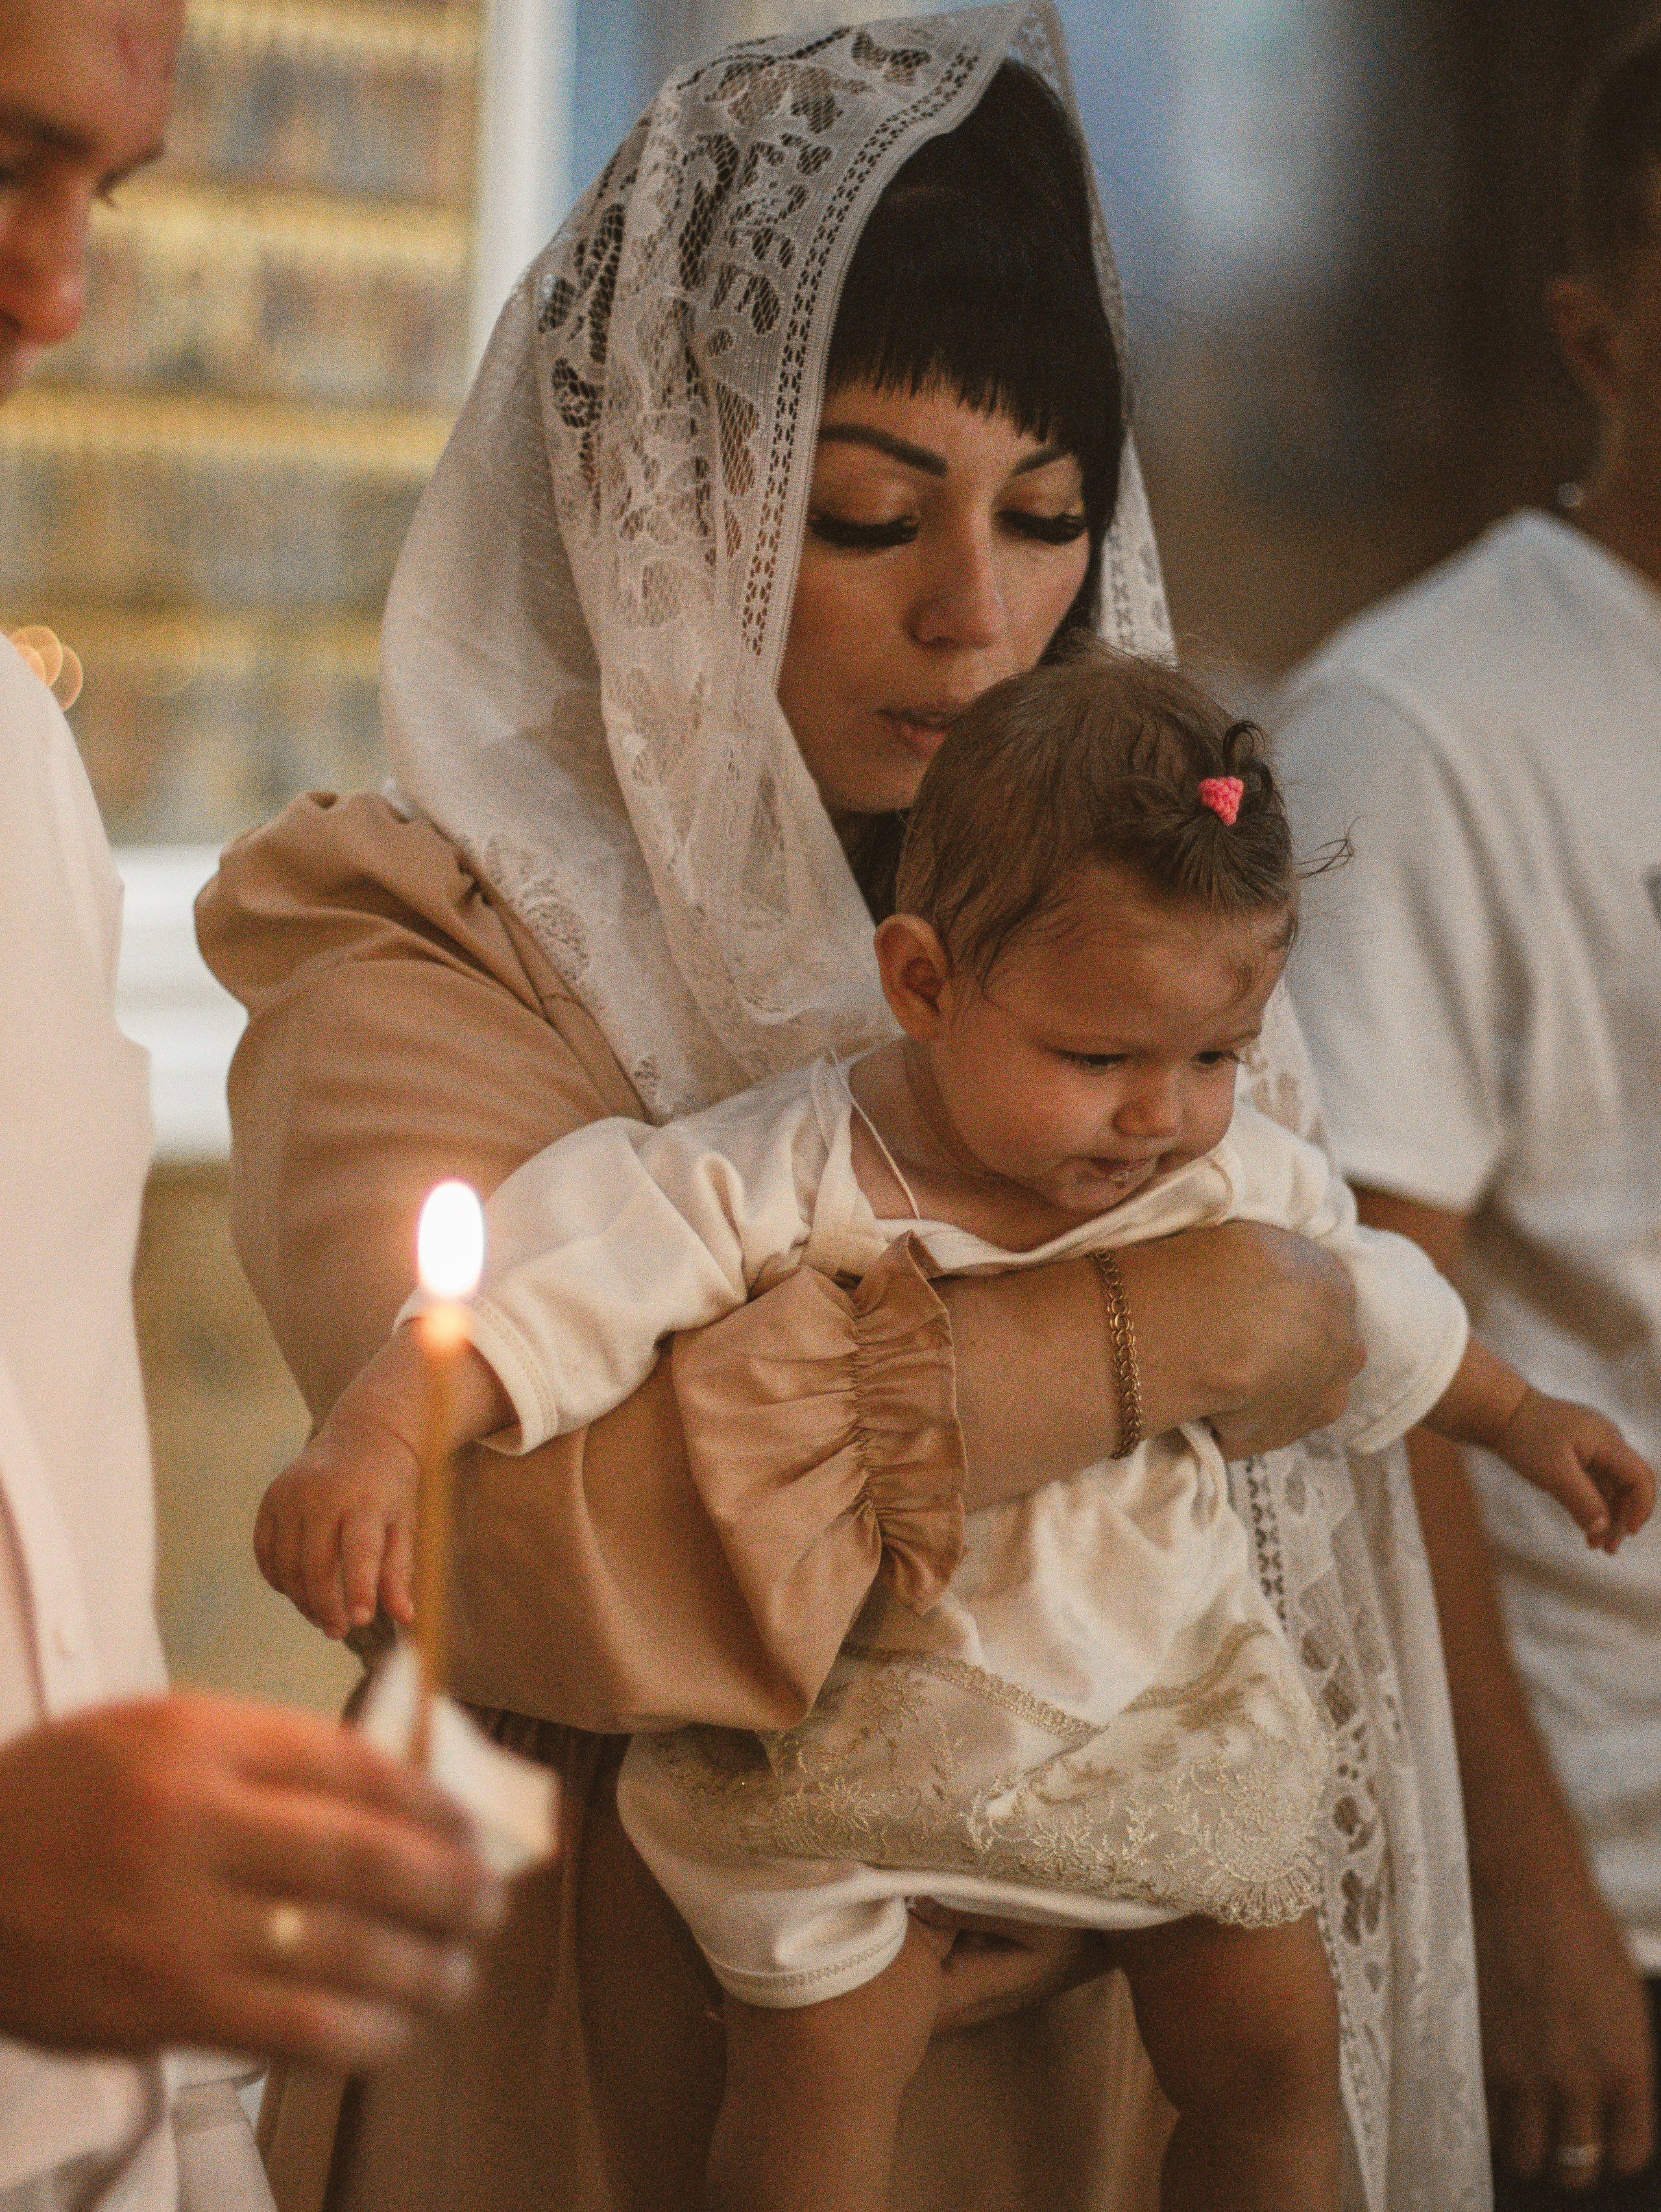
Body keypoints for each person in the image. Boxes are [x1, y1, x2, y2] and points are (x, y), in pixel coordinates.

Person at [197, 15, 1489, 2208]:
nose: (980, 619)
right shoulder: (416, 945)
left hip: (1097, 2033)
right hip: (603, 2053)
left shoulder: (1106, 937)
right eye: (870, 514)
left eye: (1050, 515)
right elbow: (543, 1534)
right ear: (660, 507)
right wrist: (1198, 1329)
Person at [256, 643, 1658, 2212]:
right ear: (921, 982)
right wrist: (378, 1436)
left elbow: (1377, 1303)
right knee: (817, 2087)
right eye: (1097, 1057)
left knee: (1275, 2048)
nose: (1159, 1115)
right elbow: (552, 1286)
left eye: (1214, 1057)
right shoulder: (795, 1168)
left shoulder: (1222, 1175)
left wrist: (1523, 1418)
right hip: (862, 1735)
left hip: (1147, 1706)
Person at [0, 6, 504, 2209]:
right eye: (1, 163)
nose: (57, 290)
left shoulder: (15, 776)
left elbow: (66, 1558)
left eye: (103, 192)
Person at [1276, 23, 1661, 2206]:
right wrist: (1522, 1894)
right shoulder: (1425, 728)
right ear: (1593, 326)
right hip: (1605, 1864)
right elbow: (1361, 1328)